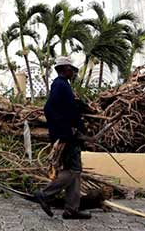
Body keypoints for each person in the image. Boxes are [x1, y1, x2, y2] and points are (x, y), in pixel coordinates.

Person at [33, 56, 92, 220]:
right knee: (74, 170)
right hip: (66, 136)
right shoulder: (60, 85)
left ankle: (71, 210)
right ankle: (45, 194)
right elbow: (49, 109)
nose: (73, 72)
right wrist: (67, 130)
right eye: (71, 69)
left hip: (67, 134)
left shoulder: (63, 85)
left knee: (73, 171)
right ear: (65, 68)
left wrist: (78, 106)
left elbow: (66, 108)